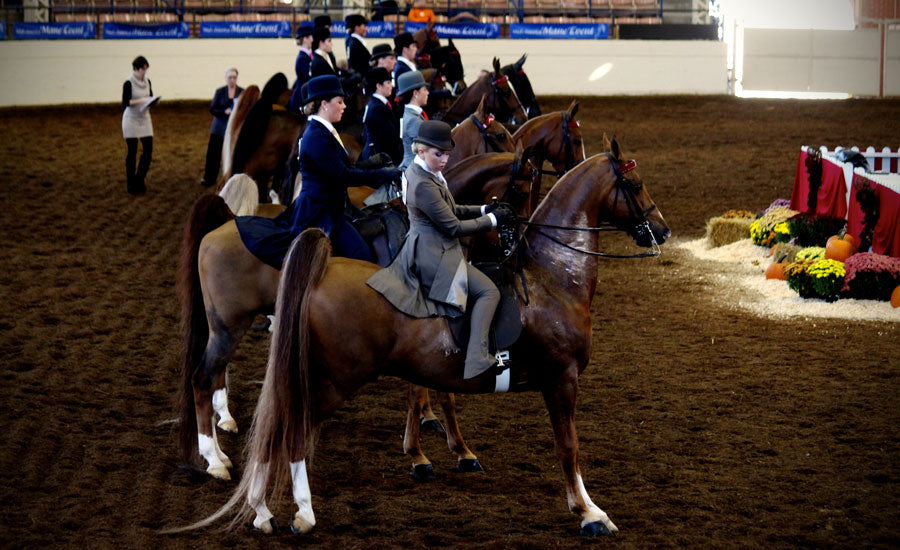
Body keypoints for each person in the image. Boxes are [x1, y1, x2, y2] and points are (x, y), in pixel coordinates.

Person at [367, 121, 517, 379]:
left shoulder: (427, 173)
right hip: (432, 254)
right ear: (421, 150)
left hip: (432, 245)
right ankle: (477, 358)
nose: (445, 159)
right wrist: (492, 222)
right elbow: (452, 227)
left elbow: (452, 208)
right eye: (439, 154)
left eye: (447, 154)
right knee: (488, 291)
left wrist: (484, 210)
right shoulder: (423, 184)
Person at [235, 75, 400, 267]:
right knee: (361, 255)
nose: (344, 106)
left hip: (333, 210)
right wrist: (384, 174)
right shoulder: (317, 137)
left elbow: (342, 168)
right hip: (318, 213)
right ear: (324, 104)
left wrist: (372, 163)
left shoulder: (324, 131)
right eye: (339, 102)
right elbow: (343, 176)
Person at [361, 68, 401, 204]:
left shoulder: (379, 104)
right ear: (378, 85)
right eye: (388, 82)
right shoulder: (378, 108)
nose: (391, 85)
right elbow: (391, 139)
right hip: (379, 156)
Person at [201, 67, 242, 187]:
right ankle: (209, 178)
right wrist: (224, 112)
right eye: (230, 77)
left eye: (234, 77)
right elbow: (212, 109)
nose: (232, 80)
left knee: (232, 154)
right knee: (213, 154)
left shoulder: (241, 92)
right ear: (226, 78)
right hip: (219, 128)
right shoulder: (220, 92)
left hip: (234, 129)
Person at [121, 55, 156, 195]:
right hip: (131, 119)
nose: (144, 72)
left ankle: (140, 178)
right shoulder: (128, 83)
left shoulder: (148, 81)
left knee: (148, 150)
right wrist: (141, 100)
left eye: (146, 69)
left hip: (144, 117)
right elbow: (126, 103)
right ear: (137, 69)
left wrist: (153, 101)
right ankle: (131, 183)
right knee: (132, 151)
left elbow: (150, 96)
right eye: (143, 69)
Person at [397, 71, 429, 173]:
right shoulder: (413, 120)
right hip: (414, 171)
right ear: (415, 93)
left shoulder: (412, 115)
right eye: (424, 89)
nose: (427, 93)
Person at [288, 21, 315, 114]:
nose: (312, 39)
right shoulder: (303, 58)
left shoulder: (308, 55)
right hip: (302, 97)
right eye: (311, 37)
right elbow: (309, 77)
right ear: (305, 39)